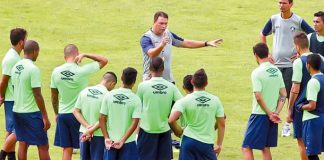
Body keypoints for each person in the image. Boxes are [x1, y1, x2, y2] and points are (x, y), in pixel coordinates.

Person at [259, 0, 314, 138]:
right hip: (275, 66)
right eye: (279, 2)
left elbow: (311, 34)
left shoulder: (298, 20)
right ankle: (271, 123)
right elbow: (263, 34)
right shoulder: (274, 19)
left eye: (284, 3)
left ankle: (288, 125)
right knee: (274, 95)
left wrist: (300, 52)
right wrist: (267, 54)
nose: (281, 5)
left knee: (291, 97)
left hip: (290, 66)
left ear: (291, 4)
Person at [51, 44, 108, 160]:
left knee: (67, 149)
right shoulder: (82, 70)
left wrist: (56, 113)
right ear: (77, 55)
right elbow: (104, 60)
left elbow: (54, 96)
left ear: (64, 56)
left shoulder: (56, 72)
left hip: (63, 114)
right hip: (79, 116)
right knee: (84, 149)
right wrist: (86, 55)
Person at [140, 11, 223, 83]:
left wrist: (206, 43)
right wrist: (162, 45)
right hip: (150, 80)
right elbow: (151, 54)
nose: (164, 26)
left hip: (167, 79)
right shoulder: (146, 38)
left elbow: (185, 43)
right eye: (161, 23)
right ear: (154, 22)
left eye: (166, 23)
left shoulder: (168, 34)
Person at [242, 43, 287, 160]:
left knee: (246, 147)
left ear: (256, 55)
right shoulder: (277, 71)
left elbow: (258, 96)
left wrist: (269, 113)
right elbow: (284, 94)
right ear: (268, 53)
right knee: (265, 147)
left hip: (259, 115)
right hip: (272, 116)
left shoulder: (257, 72)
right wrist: (276, 112)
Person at [169, 69, 225, 160]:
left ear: (192, 82)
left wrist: (178, 132)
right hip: (206, 144)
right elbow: (222, 123)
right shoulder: (215, 100)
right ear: (206, 83)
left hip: (188, 142)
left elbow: (171, 120)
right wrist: (219, 144)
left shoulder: (184, 101)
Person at [286, 32, 324, 160]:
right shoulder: (320, 58)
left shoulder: (298, 62)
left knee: (303, 144)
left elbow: (295, 88)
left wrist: (289, 108)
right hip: (320, 107)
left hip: (303, 108)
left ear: (297, 47)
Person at [11, 40, 51, 160]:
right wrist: (45, 116)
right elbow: (37, 94)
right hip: (31, 113)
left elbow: (14, 88)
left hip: (17, 111)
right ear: (34, 52)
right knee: (43, 145)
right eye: (37, 52)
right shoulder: (33, 69)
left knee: (23, 143)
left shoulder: (15, 67)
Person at [136, 57, 182, 160]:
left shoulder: (142, 86)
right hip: (164, 130)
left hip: (146, 130)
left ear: (149, 69)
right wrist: (173, 117)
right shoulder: (171, 86)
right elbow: (182, 103)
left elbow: (137, 107)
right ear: (163, 69)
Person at [73, 72, 117, 160]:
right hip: (99, 135)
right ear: (112, 83)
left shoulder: (84, 91)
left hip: (84, 133)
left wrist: (87, 127)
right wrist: (91, 130)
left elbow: (76, 111)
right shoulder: (108, 96)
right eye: (114, 86)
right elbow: (104, 118)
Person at [99, 67, 141, 160]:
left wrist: (106, 137)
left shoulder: (109, 95)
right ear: (134, 81)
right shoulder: (136, 99)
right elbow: (135, 122)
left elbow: (101, 118)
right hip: (128, 142)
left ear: (121, 78)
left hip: (110, 142)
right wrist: (122, 140)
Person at [0, 28, 27, 160]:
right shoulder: (12, 58)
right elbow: (4, 80)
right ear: (21, 42)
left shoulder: (15, 56)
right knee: (17, 130)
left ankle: (10, 156)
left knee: (11, 130)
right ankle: (2, 154)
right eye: (26, 39)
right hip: (12, 99)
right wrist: (1, 96)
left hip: (13, 98)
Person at [296, 54, 324, 160]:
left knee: (311, 153)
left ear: (308, 65)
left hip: (312, 120)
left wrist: (300, 107)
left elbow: (312, 105)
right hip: (321, 118)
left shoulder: (313, 82)